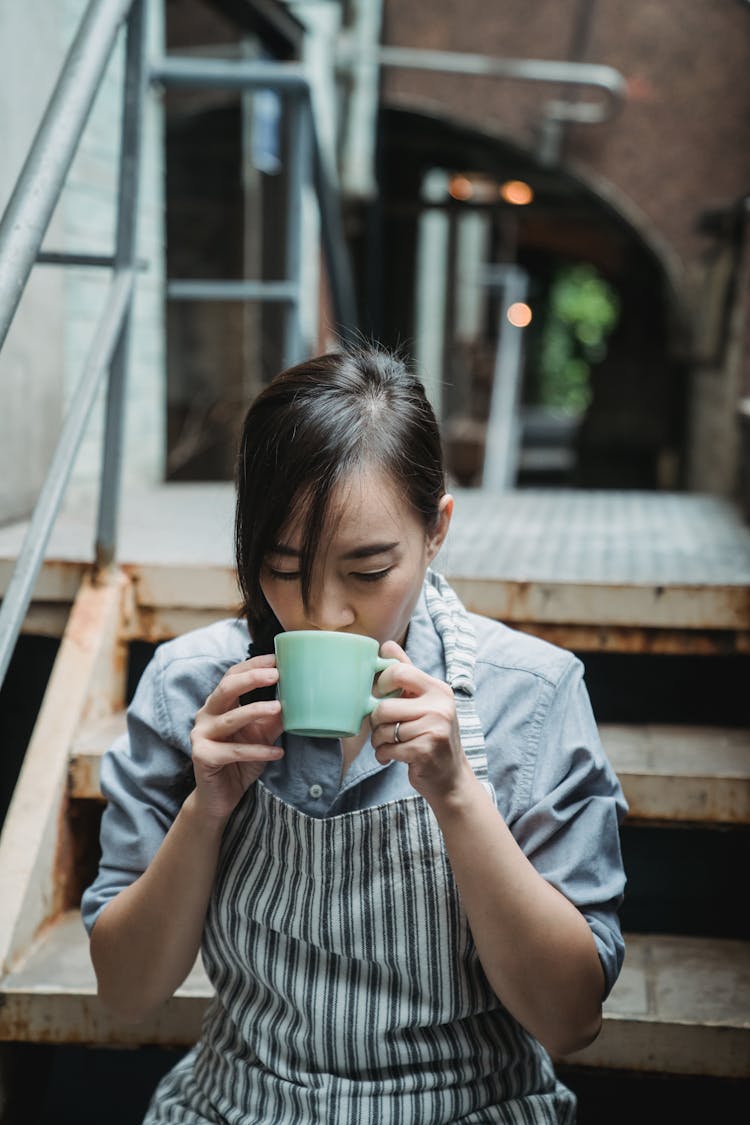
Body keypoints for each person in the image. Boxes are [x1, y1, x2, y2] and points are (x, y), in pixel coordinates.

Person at [82, 346, 627, 1124]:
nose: (324, 613)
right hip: (241, 1104)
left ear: (436, 529)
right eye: (281, 565)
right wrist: (204, 810)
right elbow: (126, 990)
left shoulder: (529, 695)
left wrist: (460, 795)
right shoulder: (188, 685)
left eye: (368, 572)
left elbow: (572, 1018)